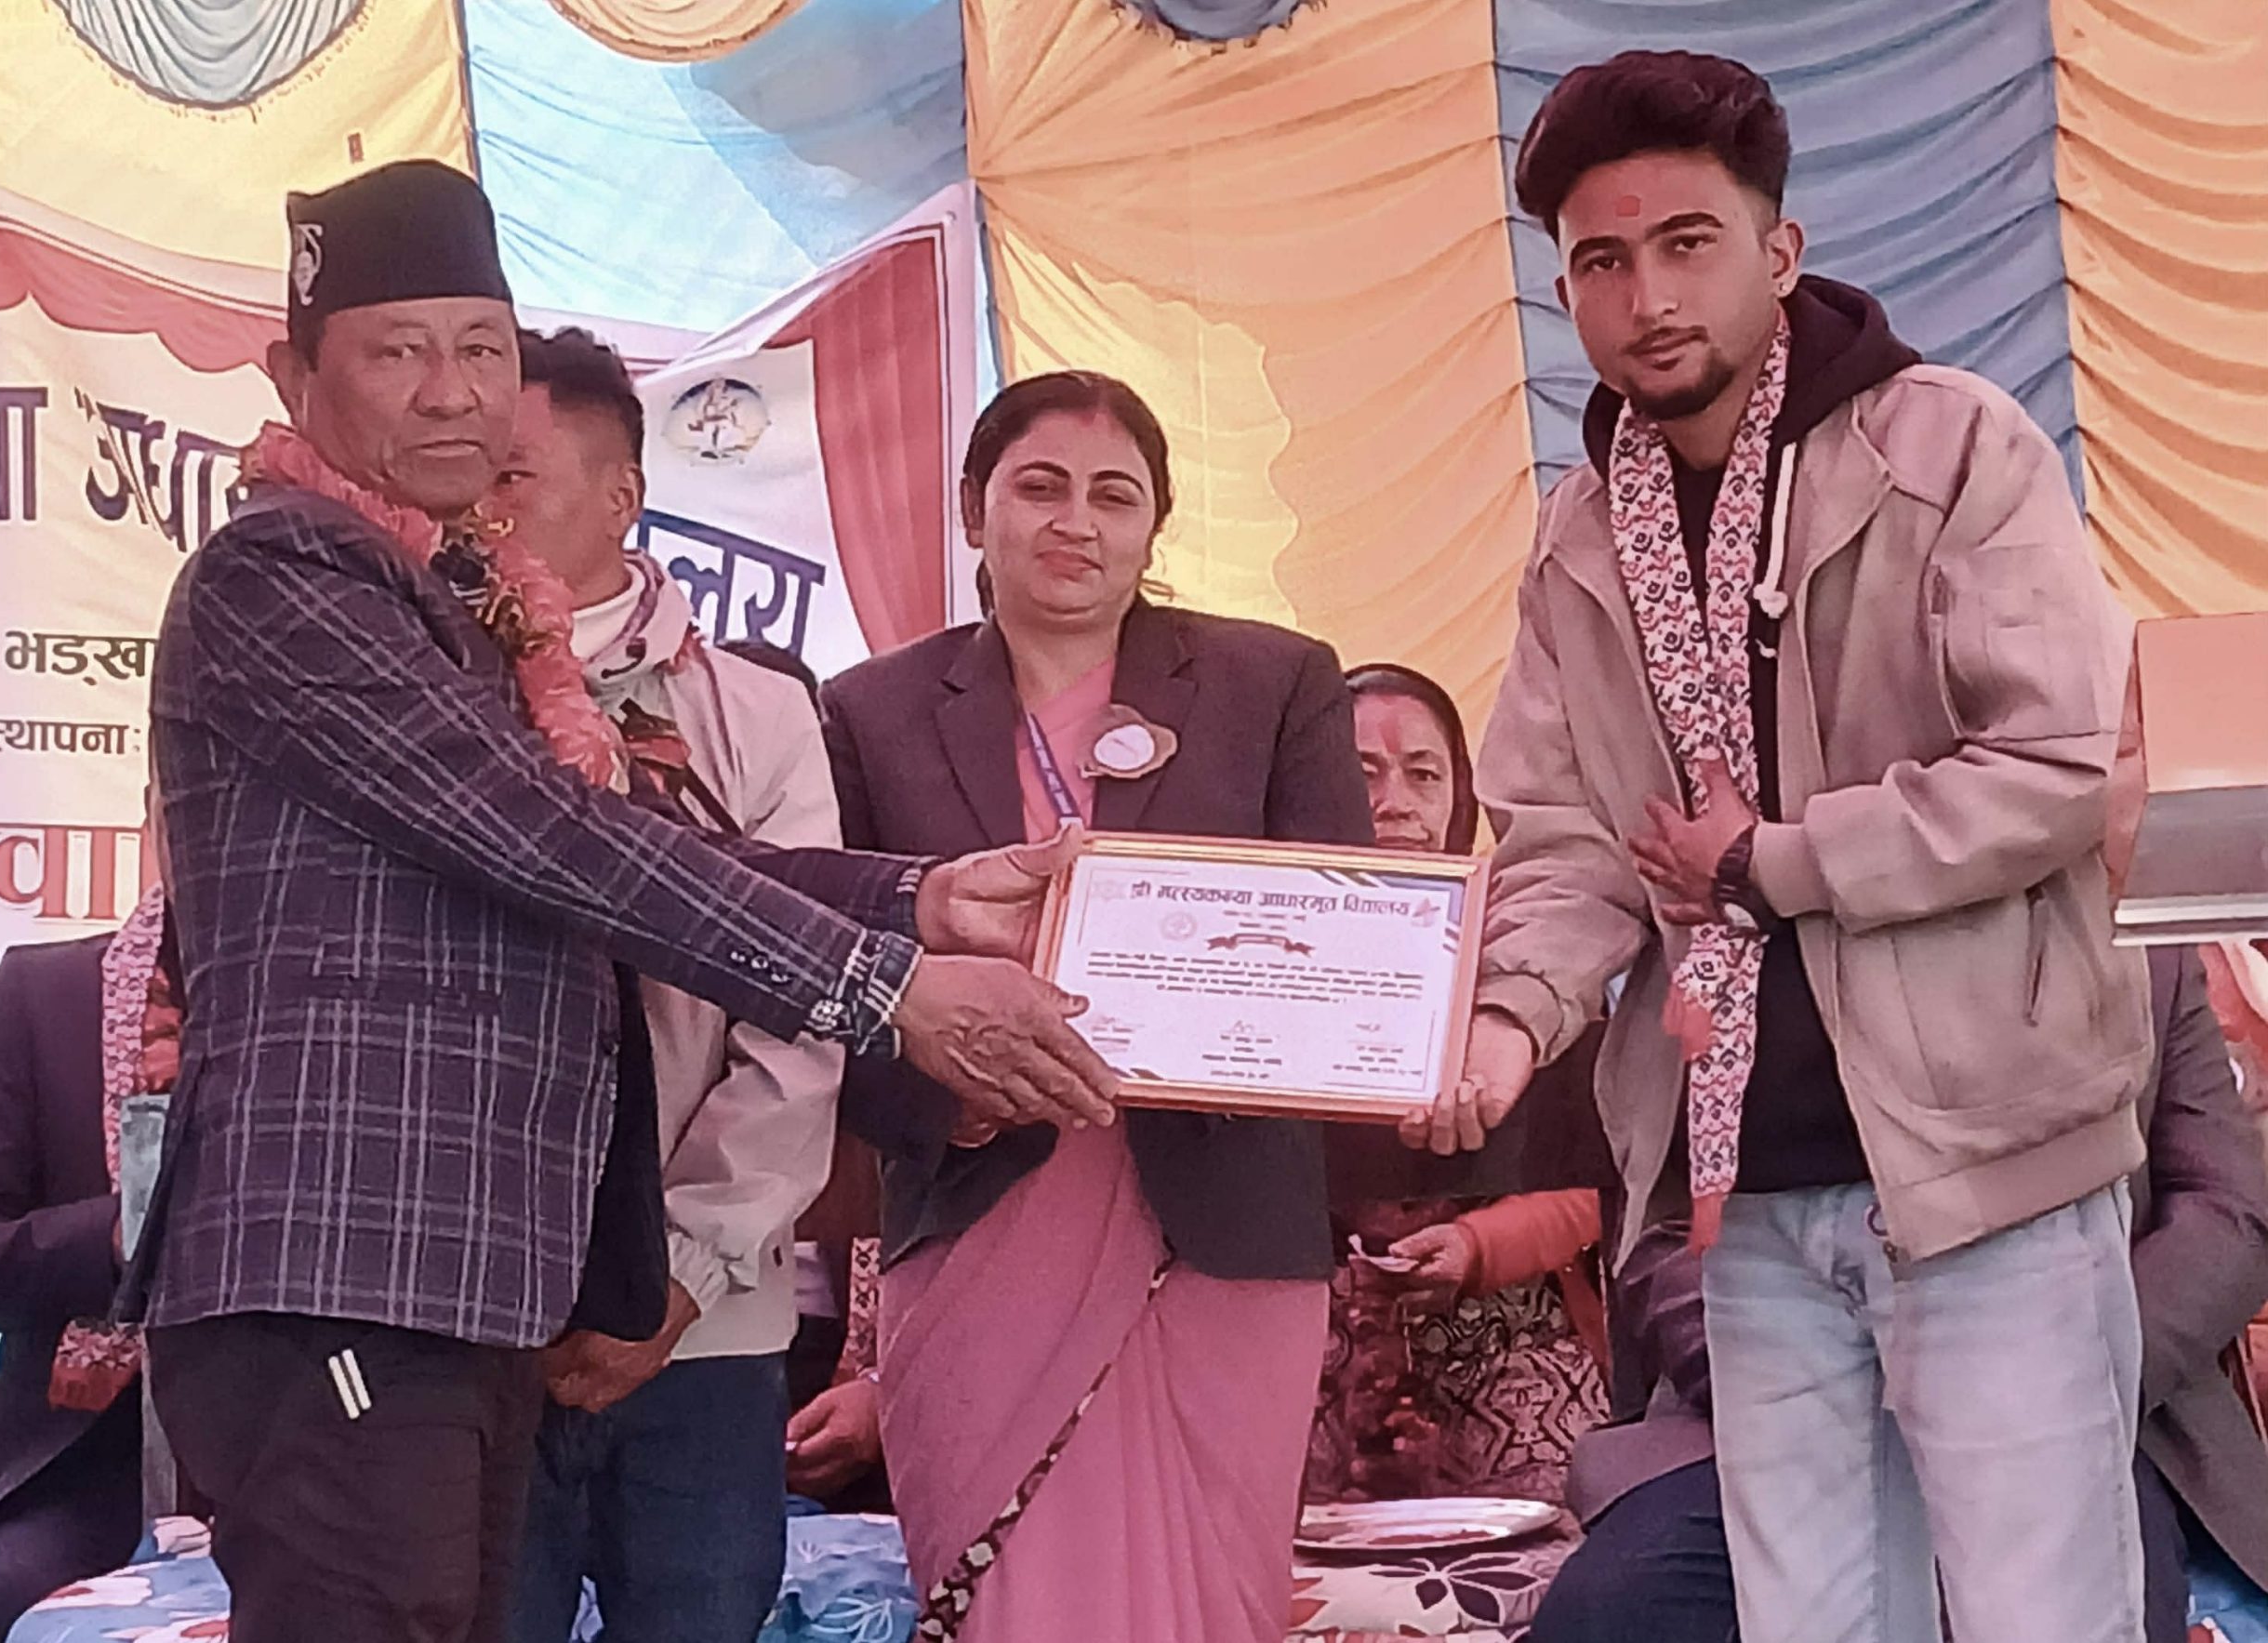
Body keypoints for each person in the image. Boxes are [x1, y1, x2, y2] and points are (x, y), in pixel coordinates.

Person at [127, 160, 1118, 1643]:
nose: (453, 390)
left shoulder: (457, 603)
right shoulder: (284, 572)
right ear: (294, 374)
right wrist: (888, 987)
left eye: (482, 348)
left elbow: (623, 839)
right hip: (343, 1266)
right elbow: (548, 839)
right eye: (398, 351)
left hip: (469, 1281)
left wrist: (922, 900)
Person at [1426, 51, 2153, 1643]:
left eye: (1688, 242)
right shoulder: (1578, 535)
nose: (1647, 296)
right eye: (1602, 261)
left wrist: (1777, 859)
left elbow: (2062, 760)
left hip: (1982, 1160)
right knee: (1808, 1623)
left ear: (1781, 248)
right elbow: (1562, 842)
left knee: (2043, 1615)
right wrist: (1505, 1020)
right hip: (1738, 1187)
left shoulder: (1948, 448)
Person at [819, 369, 1372, 1642]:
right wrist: (955, 1100)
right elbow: (831, 973)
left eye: (1115, 496)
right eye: (1041, 487)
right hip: (982, 1214)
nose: (1077, 522)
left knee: (1215, 1601)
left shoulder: (1275, 683)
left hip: (1219, 1226)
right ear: (975, 508)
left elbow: (1341, 933)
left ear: (1154, 525)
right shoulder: (869, 712)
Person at [1532, 944, 2268, 1643]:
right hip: (1761, 1411)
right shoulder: (1739, 932)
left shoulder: (2144, 956)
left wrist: (2068, 1366)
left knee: (2091, 1586)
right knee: (1616, 1607)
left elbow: (2229, 1209)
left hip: (2079, 1402)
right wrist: (1796, 1362)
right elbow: (1662, 1228)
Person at [491, 327, 846, 1643]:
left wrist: (685, 1269)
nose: (480, 509)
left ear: (621, 496)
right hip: (475, 1323)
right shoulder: (433, 703)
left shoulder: (754, 715)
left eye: (513, 476)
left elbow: (803, 1017)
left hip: (707, 1324)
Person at [1307, 663, 1608, 1504]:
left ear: (1461, 793)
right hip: (1314, 1346)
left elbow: (1596, 1188)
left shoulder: (1533, 955)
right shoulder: (1268, 951)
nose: (1396, 801)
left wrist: (1477, 1247)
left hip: (1509, 1337)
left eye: (1423, 774)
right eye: (1362, 773)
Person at [0, 884, 174, 1641]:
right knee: (15, 1596)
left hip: (295, 1448)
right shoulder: (49, 994)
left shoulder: (330, 1000)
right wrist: (116, 1237)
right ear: (160, 826)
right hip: (80, 1458)